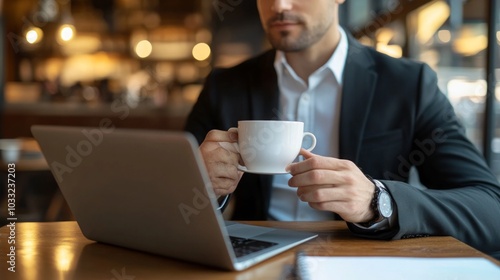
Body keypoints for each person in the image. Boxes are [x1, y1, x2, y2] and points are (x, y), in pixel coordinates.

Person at [184, 0, 500, 258]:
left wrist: (378, 201)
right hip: (252, 262)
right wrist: (200, 185)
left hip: (362, 263)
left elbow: (490, 209)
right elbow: (168, 205)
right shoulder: (223, 87)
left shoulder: (408, 85)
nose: (279, 5)